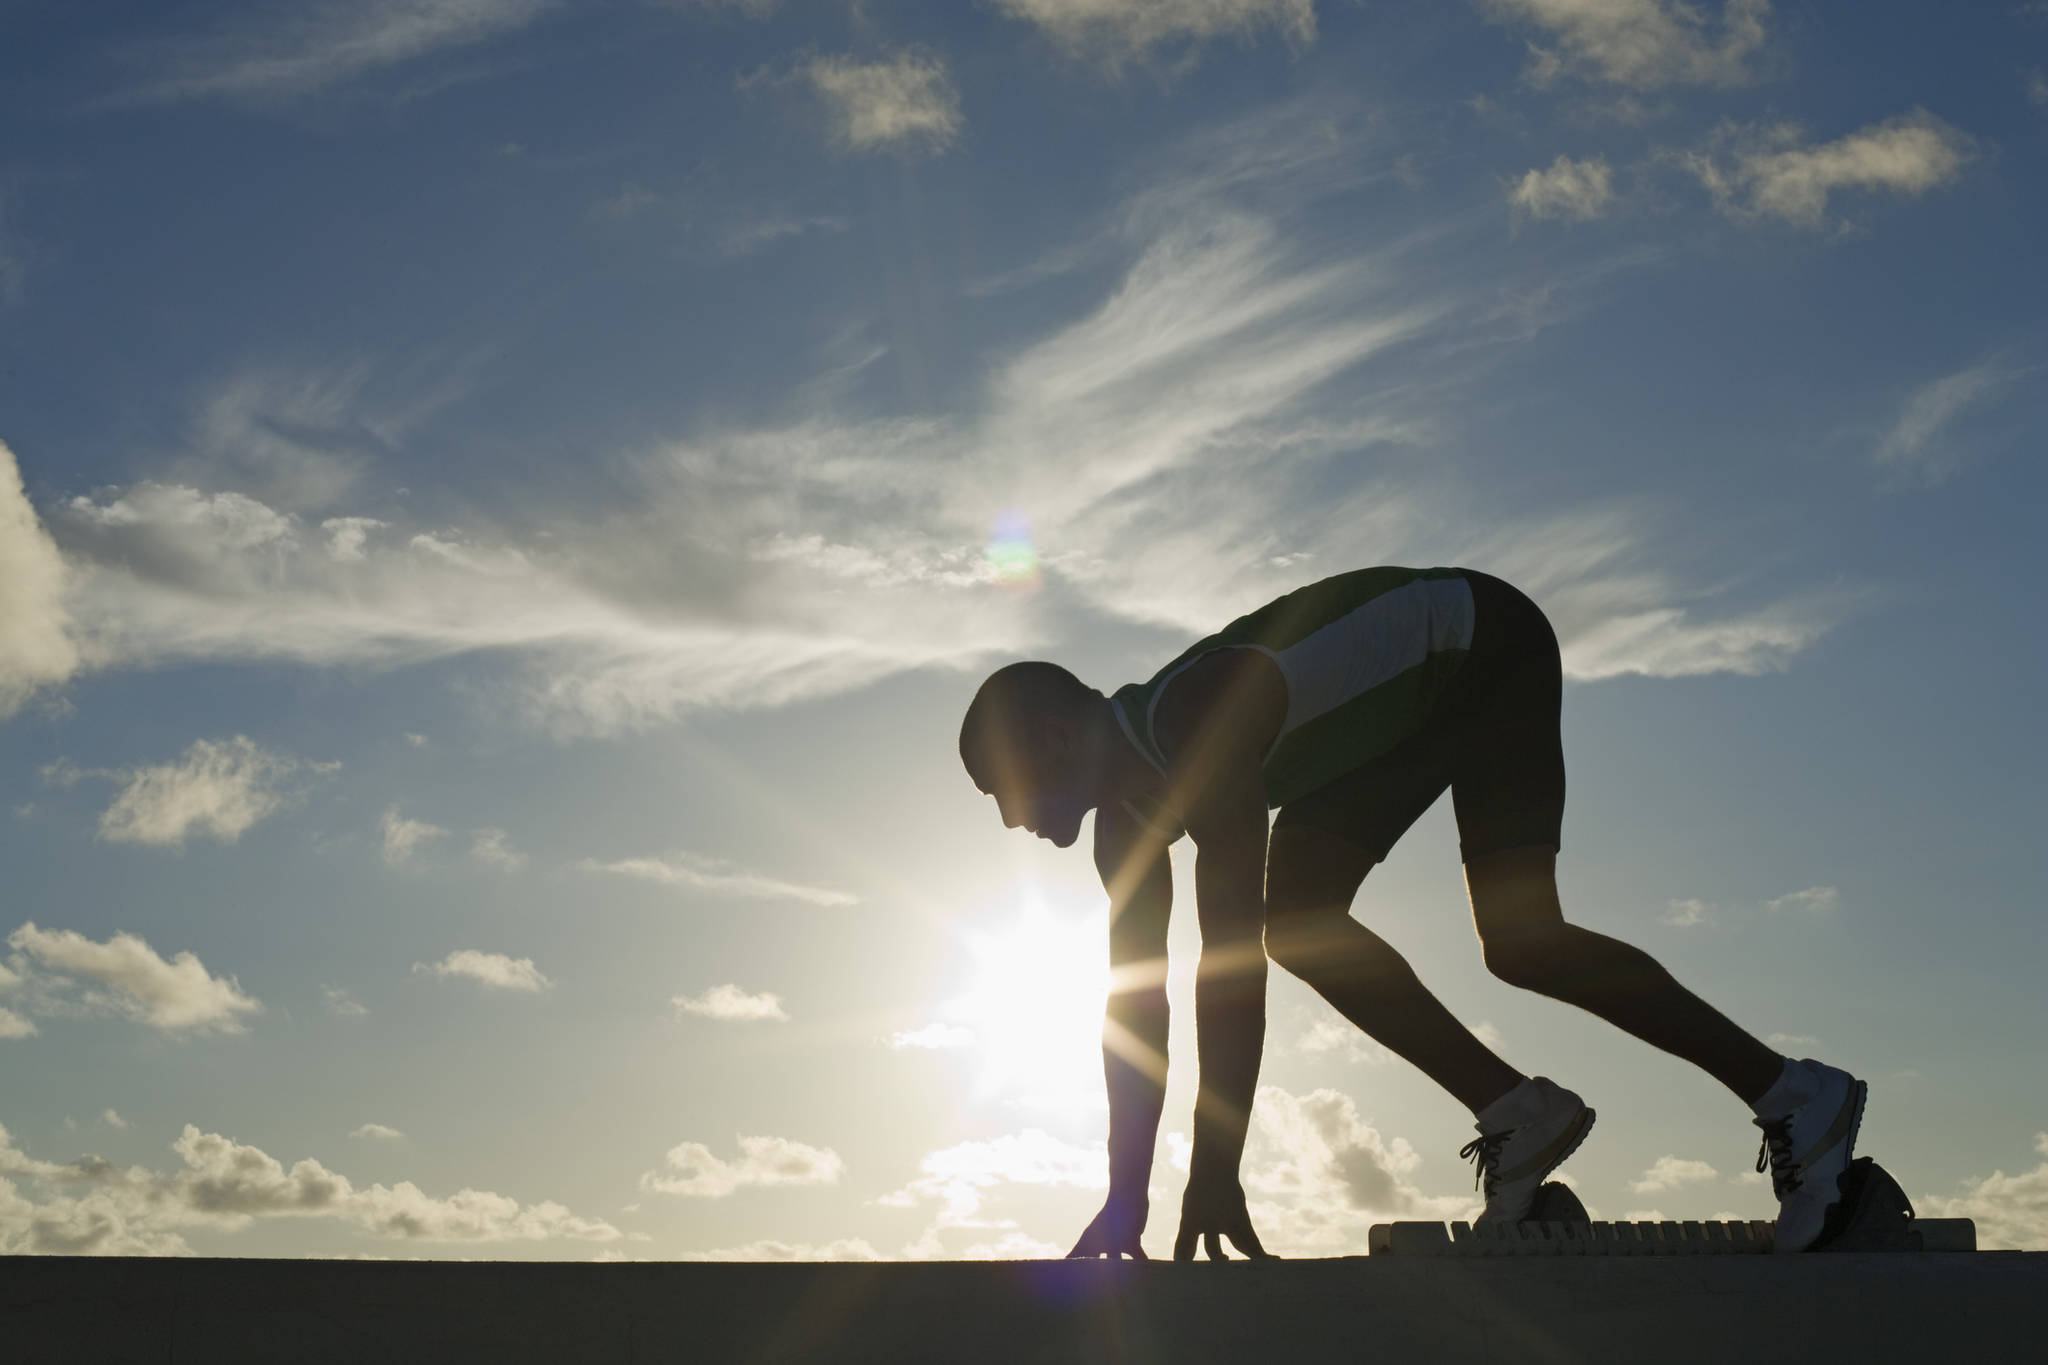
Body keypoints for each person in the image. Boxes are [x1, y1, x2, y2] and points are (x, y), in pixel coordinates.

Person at [957, 565, 1866, 1260]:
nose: (1008, 818)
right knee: (1303, 921)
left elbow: (1227, 969)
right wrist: (1126, 1197)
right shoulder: (1124, 831)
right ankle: (1518, 1111)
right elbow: (1136, 1011)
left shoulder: (1198, 720)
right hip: (1382, 721)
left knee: (1519, 939)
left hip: (1480, 645)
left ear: (1051, 736)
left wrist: (1216, 1173)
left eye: (1000, 788)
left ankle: (1798, 1094)